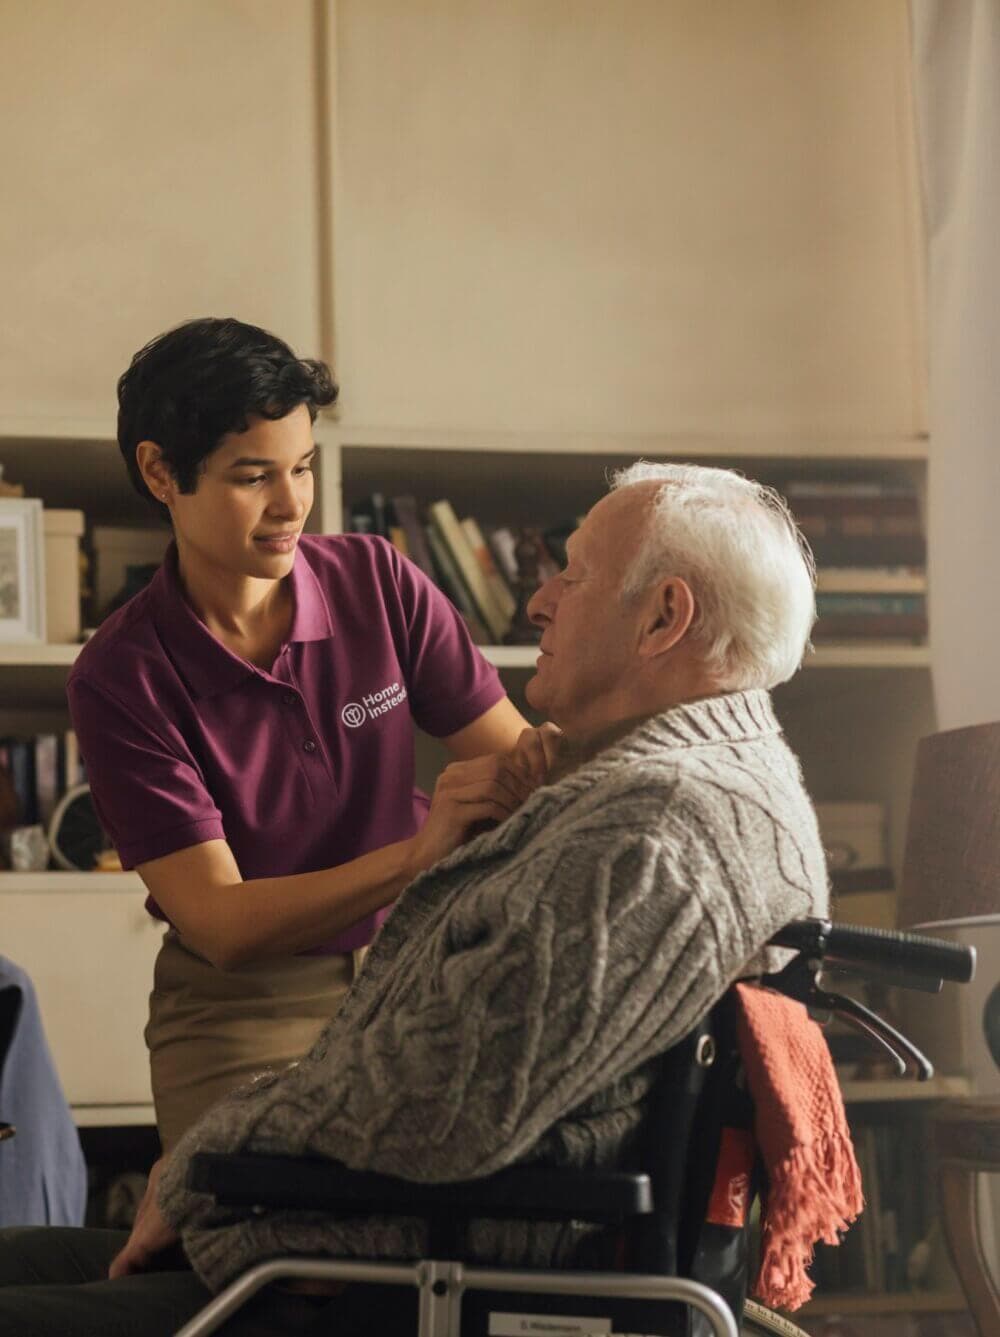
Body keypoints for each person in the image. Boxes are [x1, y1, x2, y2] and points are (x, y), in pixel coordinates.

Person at [0, 461, 830, 1335]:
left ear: (664, 616)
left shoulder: (655, 831)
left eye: (572, 574)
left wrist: (204, 1157)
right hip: (382, 1226)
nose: (537, 600)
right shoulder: (691, 785)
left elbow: (447, 1103)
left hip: (399, 1269)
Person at [65, 317, 545, 1154]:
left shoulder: (379, 581)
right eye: (253, 477)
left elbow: (523, 767)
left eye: (303, 468)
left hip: (422, 965)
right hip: (245, 1006)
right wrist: (414, 856)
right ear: (159, 473)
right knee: (260, 1264)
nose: (292, 505)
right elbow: (222, 921)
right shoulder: (121, 675)